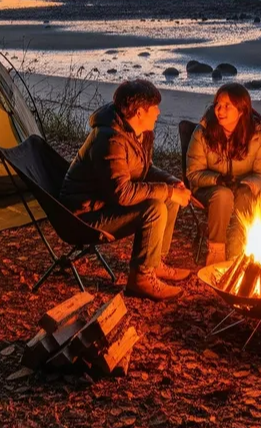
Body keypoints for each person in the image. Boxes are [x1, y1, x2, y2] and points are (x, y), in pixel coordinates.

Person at [59, 79, 193, 300]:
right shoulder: (109, 139)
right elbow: (122, 193)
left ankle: (155, 261)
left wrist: (170, 182)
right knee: (155, 207)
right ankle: (141, 278)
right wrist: (166, 191)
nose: (158, 112)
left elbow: (144, 168)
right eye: (154, 108)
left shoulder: (136, 131)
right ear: (139, 112)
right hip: (83, 216)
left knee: (169, 198)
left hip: (102, 203)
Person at [186, 82, 261, 264]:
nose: (220, 110)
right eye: (218, 104)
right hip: (208, 189)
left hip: (244, 187)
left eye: (227, 106)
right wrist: (217, 179)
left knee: (246, 196)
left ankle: (244, 249)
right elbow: (192, 173)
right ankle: (216, 253)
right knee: (223, 195)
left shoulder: (257, 136)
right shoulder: (203, 132)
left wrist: (247, 185)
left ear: (241, 110)